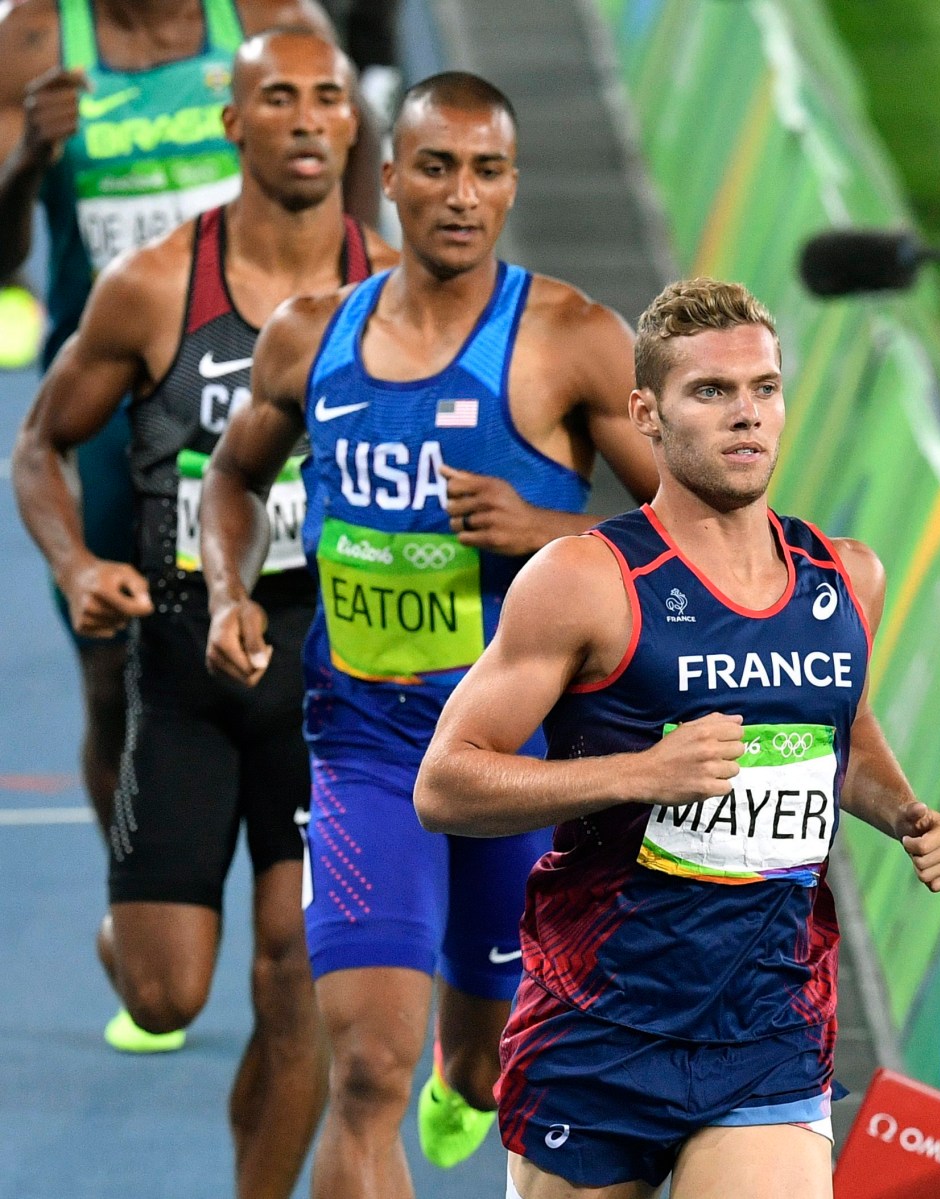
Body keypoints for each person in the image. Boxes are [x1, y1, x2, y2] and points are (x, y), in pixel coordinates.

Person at [198, 70, 659, 1197]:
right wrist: (228, 588)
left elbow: (693, 534)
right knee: (367, 1072)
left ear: (512, 186)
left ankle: (471, 1077)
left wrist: (552, 525)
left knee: (482, 1063)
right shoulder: (311, 336)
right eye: (438, 167)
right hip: (360, 748)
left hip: (517, 759)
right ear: (391, 179)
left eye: (488, 170)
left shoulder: (570, 339)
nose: (462, 194)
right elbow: (232, 477)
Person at [413, 277, 940, 1199]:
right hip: (598, 1022)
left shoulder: (845, 577)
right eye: (711, 392)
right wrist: (643, 772)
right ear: (647, 413)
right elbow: (445, 784)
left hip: (767, 1024)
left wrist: (903, 811)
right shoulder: (587, 579)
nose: (745, 415)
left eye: (763, 387)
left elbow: (844, 727)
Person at [12, 28, 395, 1194]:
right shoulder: (155, 287)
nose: (303, 118)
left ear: (350, 126)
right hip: (182, 661)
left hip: (330, 676)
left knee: (294, 978)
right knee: (166, 991)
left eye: (326, 98)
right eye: (274, 97)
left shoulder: (399, 293)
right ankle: (128, 943)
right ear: (234, 126)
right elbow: (40, 445)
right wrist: (78, 562)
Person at [0, 0, 379, 849]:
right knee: (111, 670)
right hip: (115, 394)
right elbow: (2, 258)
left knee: (321, 638)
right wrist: (28, 158)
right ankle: (138, 879)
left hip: (281, 370)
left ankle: (311, 885)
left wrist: (358, 277)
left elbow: (356, 121)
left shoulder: (267, 16)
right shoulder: (32, 40)